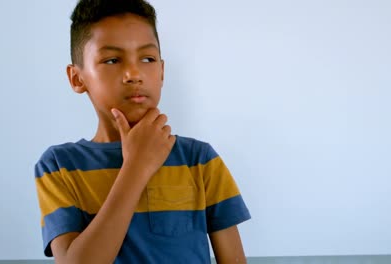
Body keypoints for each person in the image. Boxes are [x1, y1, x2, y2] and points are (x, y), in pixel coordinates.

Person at [34, 0, 251, 263]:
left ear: (161, 71)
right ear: (77, 78)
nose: (133, 74)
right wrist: (136, 168)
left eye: (147, 59)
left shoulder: (200, 159)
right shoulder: (59, 166)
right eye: (112, 60)